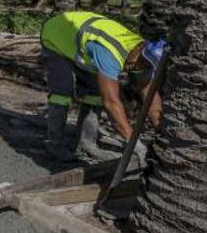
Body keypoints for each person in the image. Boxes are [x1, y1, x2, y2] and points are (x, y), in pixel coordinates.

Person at [39, 11, 166, 163]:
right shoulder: (110, 54)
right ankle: (55, 145)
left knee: (95, 94)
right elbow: (111, 103)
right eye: (142, 61)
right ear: (140, 48)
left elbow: (150, 97)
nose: (139, 66)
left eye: (147, 65)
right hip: (57, 35)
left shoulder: (145, 59)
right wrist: (134, 144)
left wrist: (162, 132)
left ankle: (86, 144)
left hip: (83, 42)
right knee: (62, 92)